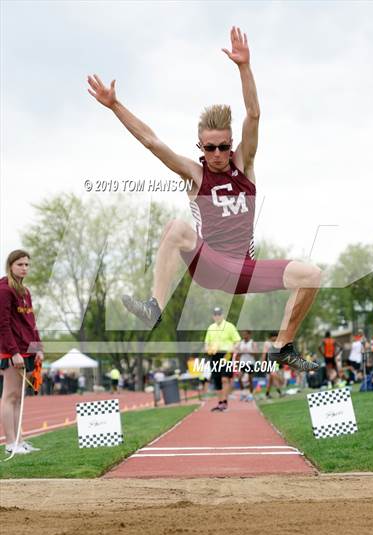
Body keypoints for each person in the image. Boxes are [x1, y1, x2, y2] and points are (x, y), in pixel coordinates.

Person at [88, 26, 321, 373]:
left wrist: (244, 68)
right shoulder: (195, 175)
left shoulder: (245, 165)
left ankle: (281, 346)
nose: (217, 153)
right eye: (210, 147)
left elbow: (254, 115)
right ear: (201, 148)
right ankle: (155, 305)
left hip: (243, 270)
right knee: (176, 228)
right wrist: (115, 106)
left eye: (224, 146)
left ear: (231, 145)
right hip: (210, 265)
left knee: (312, 274)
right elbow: (153, 143)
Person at [0, 250, 43, 455]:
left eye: (27, 264)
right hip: (11, 352)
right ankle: (10, 443)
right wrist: (13, 352)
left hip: (27, 351)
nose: (24, 268)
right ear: (10, 266)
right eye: (20, 264)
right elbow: (3, 324)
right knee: (9, 396)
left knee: (19, 397)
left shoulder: (25, 292)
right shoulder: (4, 290)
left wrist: (38, 348)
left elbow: (31, 323)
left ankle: (19, 440)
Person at [204, 307, 241, 411]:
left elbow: (237, 341)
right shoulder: (210, 328)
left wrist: (232, 349)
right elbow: (206, 343)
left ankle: (225, 402)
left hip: (226, 355)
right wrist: (207, 349)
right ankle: (220, 403)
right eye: (215, 314)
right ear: (213, 316)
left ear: (222, 315)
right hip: (214, 355)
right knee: (217, 380)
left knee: (225, 378)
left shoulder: (229, 326)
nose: (217, 316)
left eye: (219, 314)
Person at [235, 330, 258, 400]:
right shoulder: (240, 343)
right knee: (239, 378)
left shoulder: (252, 343)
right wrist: (237, 363)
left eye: (245, 334)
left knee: (250, 379)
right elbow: (237, 354)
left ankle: (251, 394)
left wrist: (248, 351)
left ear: (249, 335)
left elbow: (256, 354)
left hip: (251, 363)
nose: (244, 336)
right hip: (242, 363)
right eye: (243, 334)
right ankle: (243, 393)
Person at [262, 332, 285, 398]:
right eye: (275, 337)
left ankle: (267, 393)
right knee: (274, 375)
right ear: (271, 337)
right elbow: (264, 353)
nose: (276, 338)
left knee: (271, 379)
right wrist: (263, 363)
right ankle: (280, 391)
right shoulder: (267, 343)